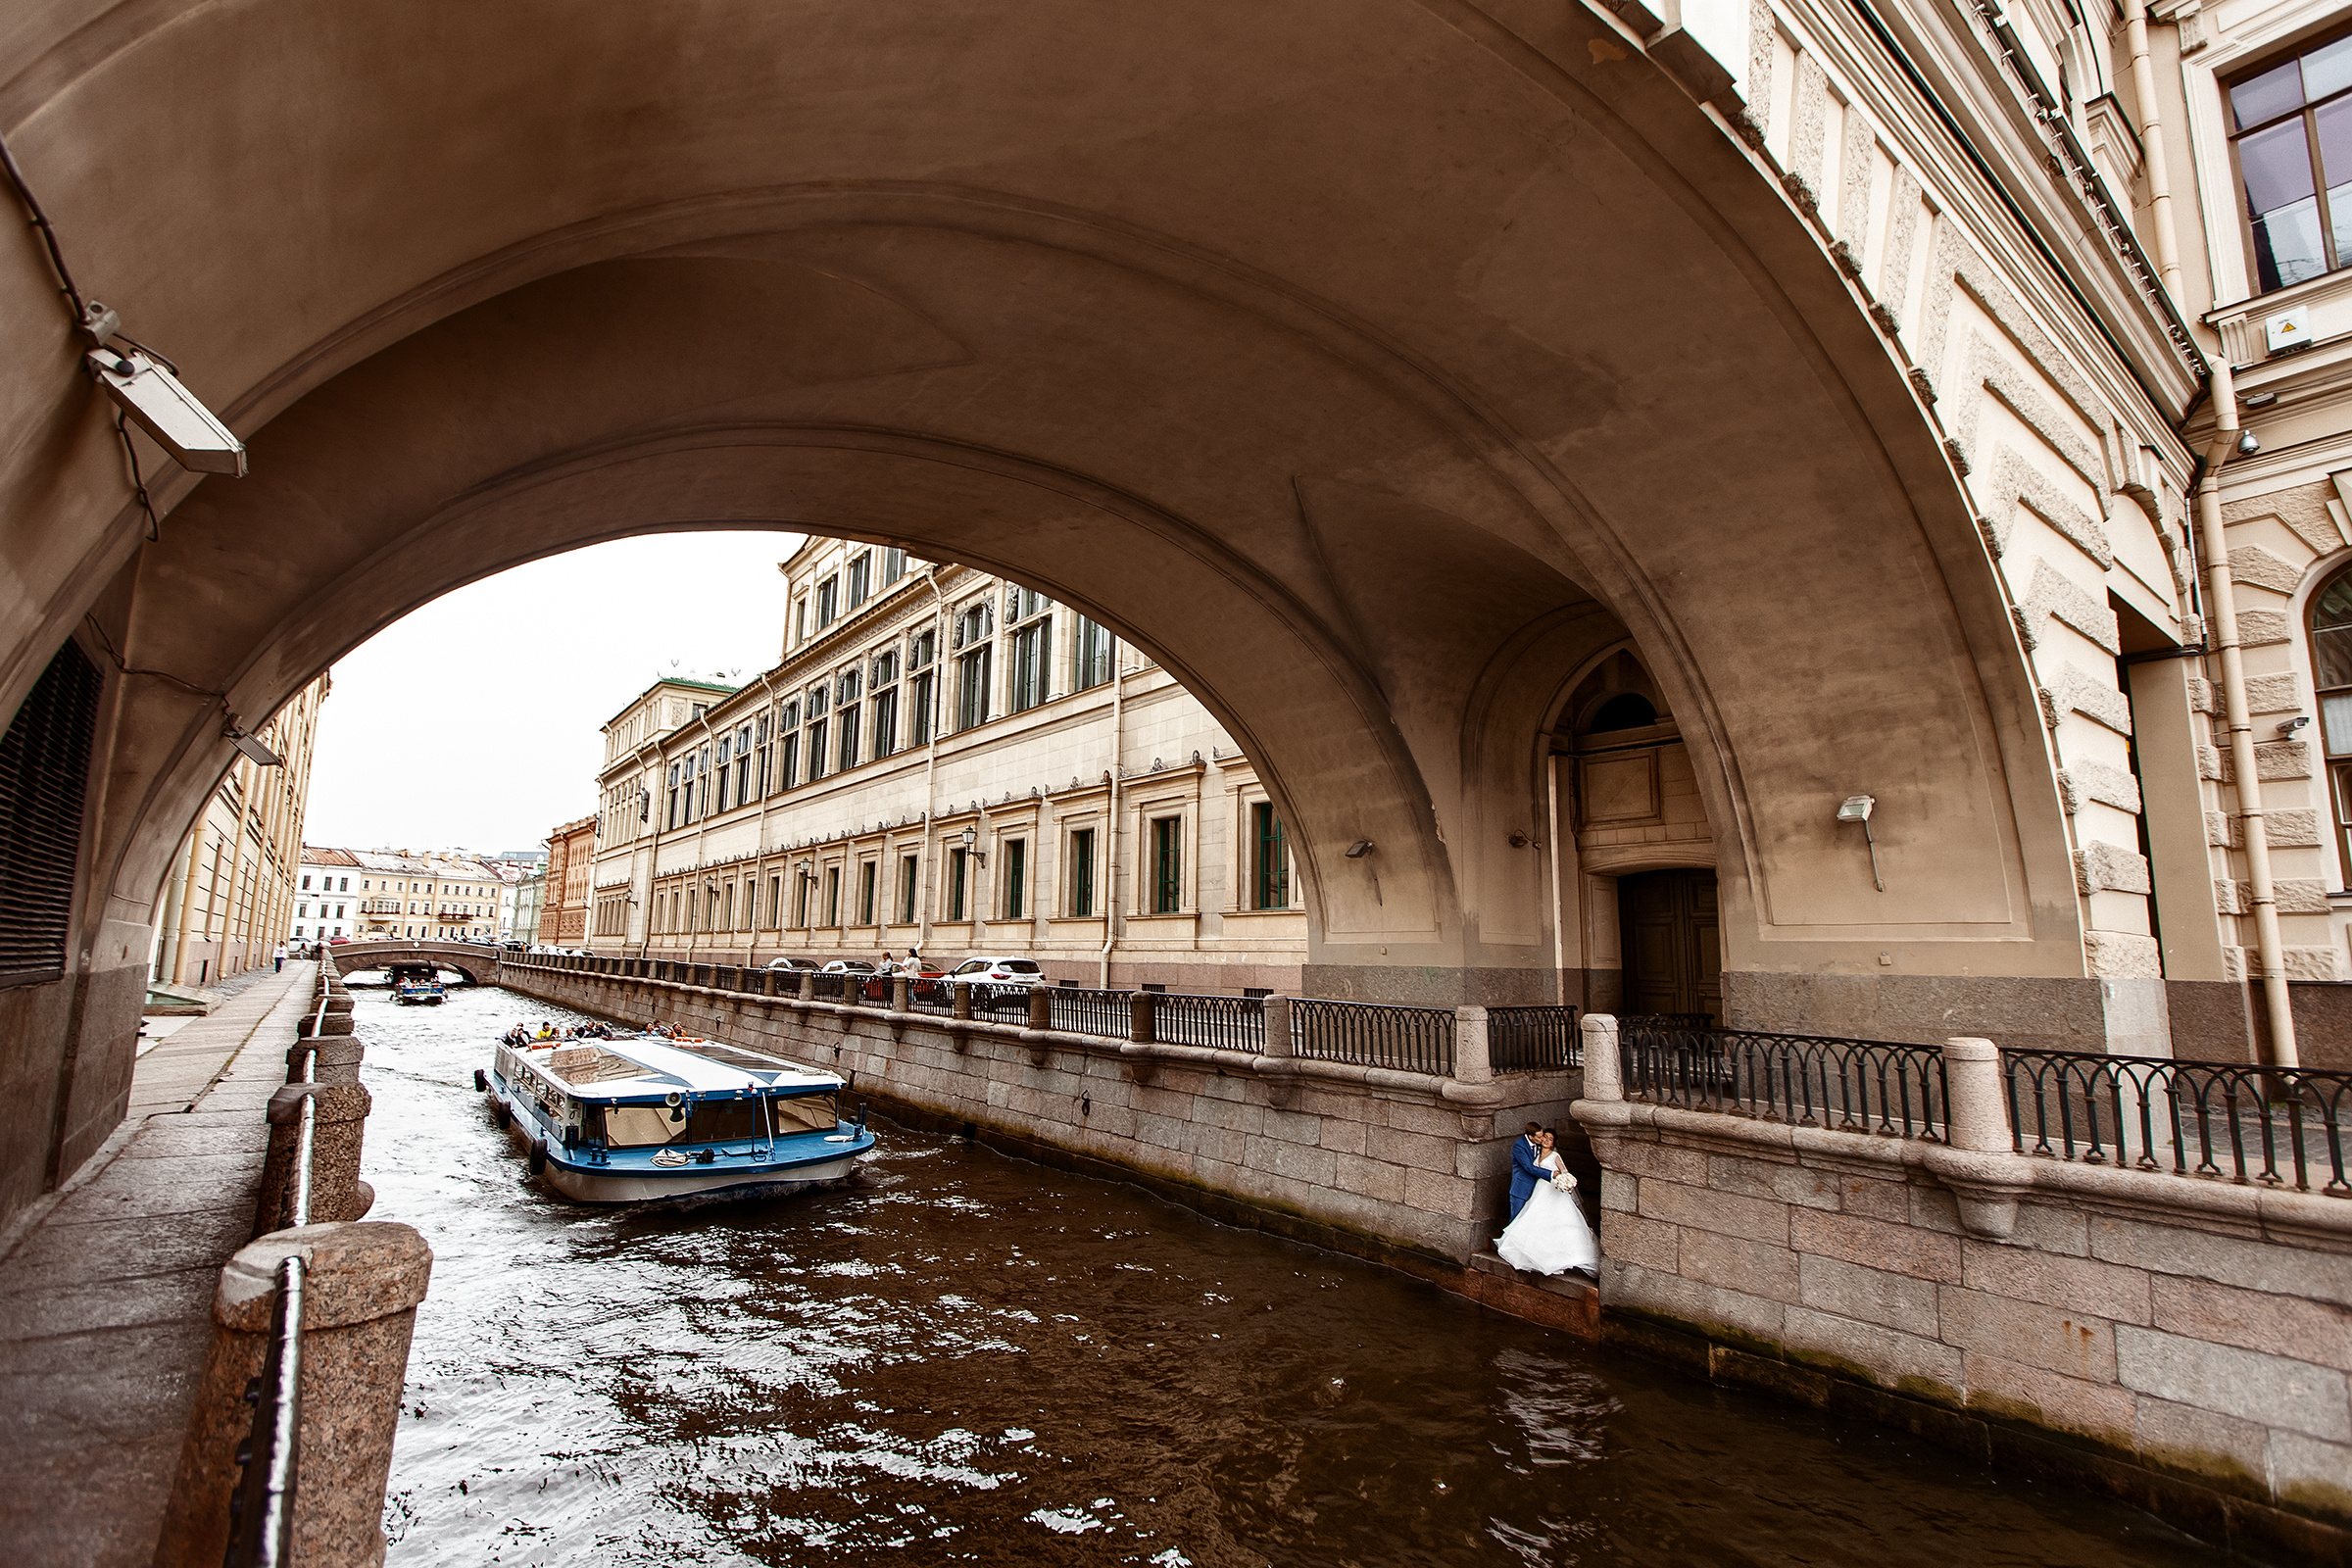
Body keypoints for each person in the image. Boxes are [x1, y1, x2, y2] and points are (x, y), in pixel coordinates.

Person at [1495, 1128, 1599, 1278]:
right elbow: (1530, 1168)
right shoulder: (1535, 1152)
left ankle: (1558, 1259)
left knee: (1555, 1220)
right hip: (1538, 1189)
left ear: (1553, 1143)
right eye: (1545, 1137)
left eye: (1550, 1139)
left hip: (1551, 1190)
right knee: (1533, 1218)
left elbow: (1564, 1171)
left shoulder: (1555, 1155)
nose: (1546, 1140)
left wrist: (1564, 1180)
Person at [1506, 1121, 1546, 1222]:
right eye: (1539, 1137)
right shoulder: (1519, 1146)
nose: (1542, 1139)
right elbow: (1529, 1167)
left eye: (1542, 1136)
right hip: (1521, 1189)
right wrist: (1551, 1174)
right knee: (1516, 1220)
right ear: (1530, 1137)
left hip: (1536, 1190)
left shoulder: (1539, 1145)